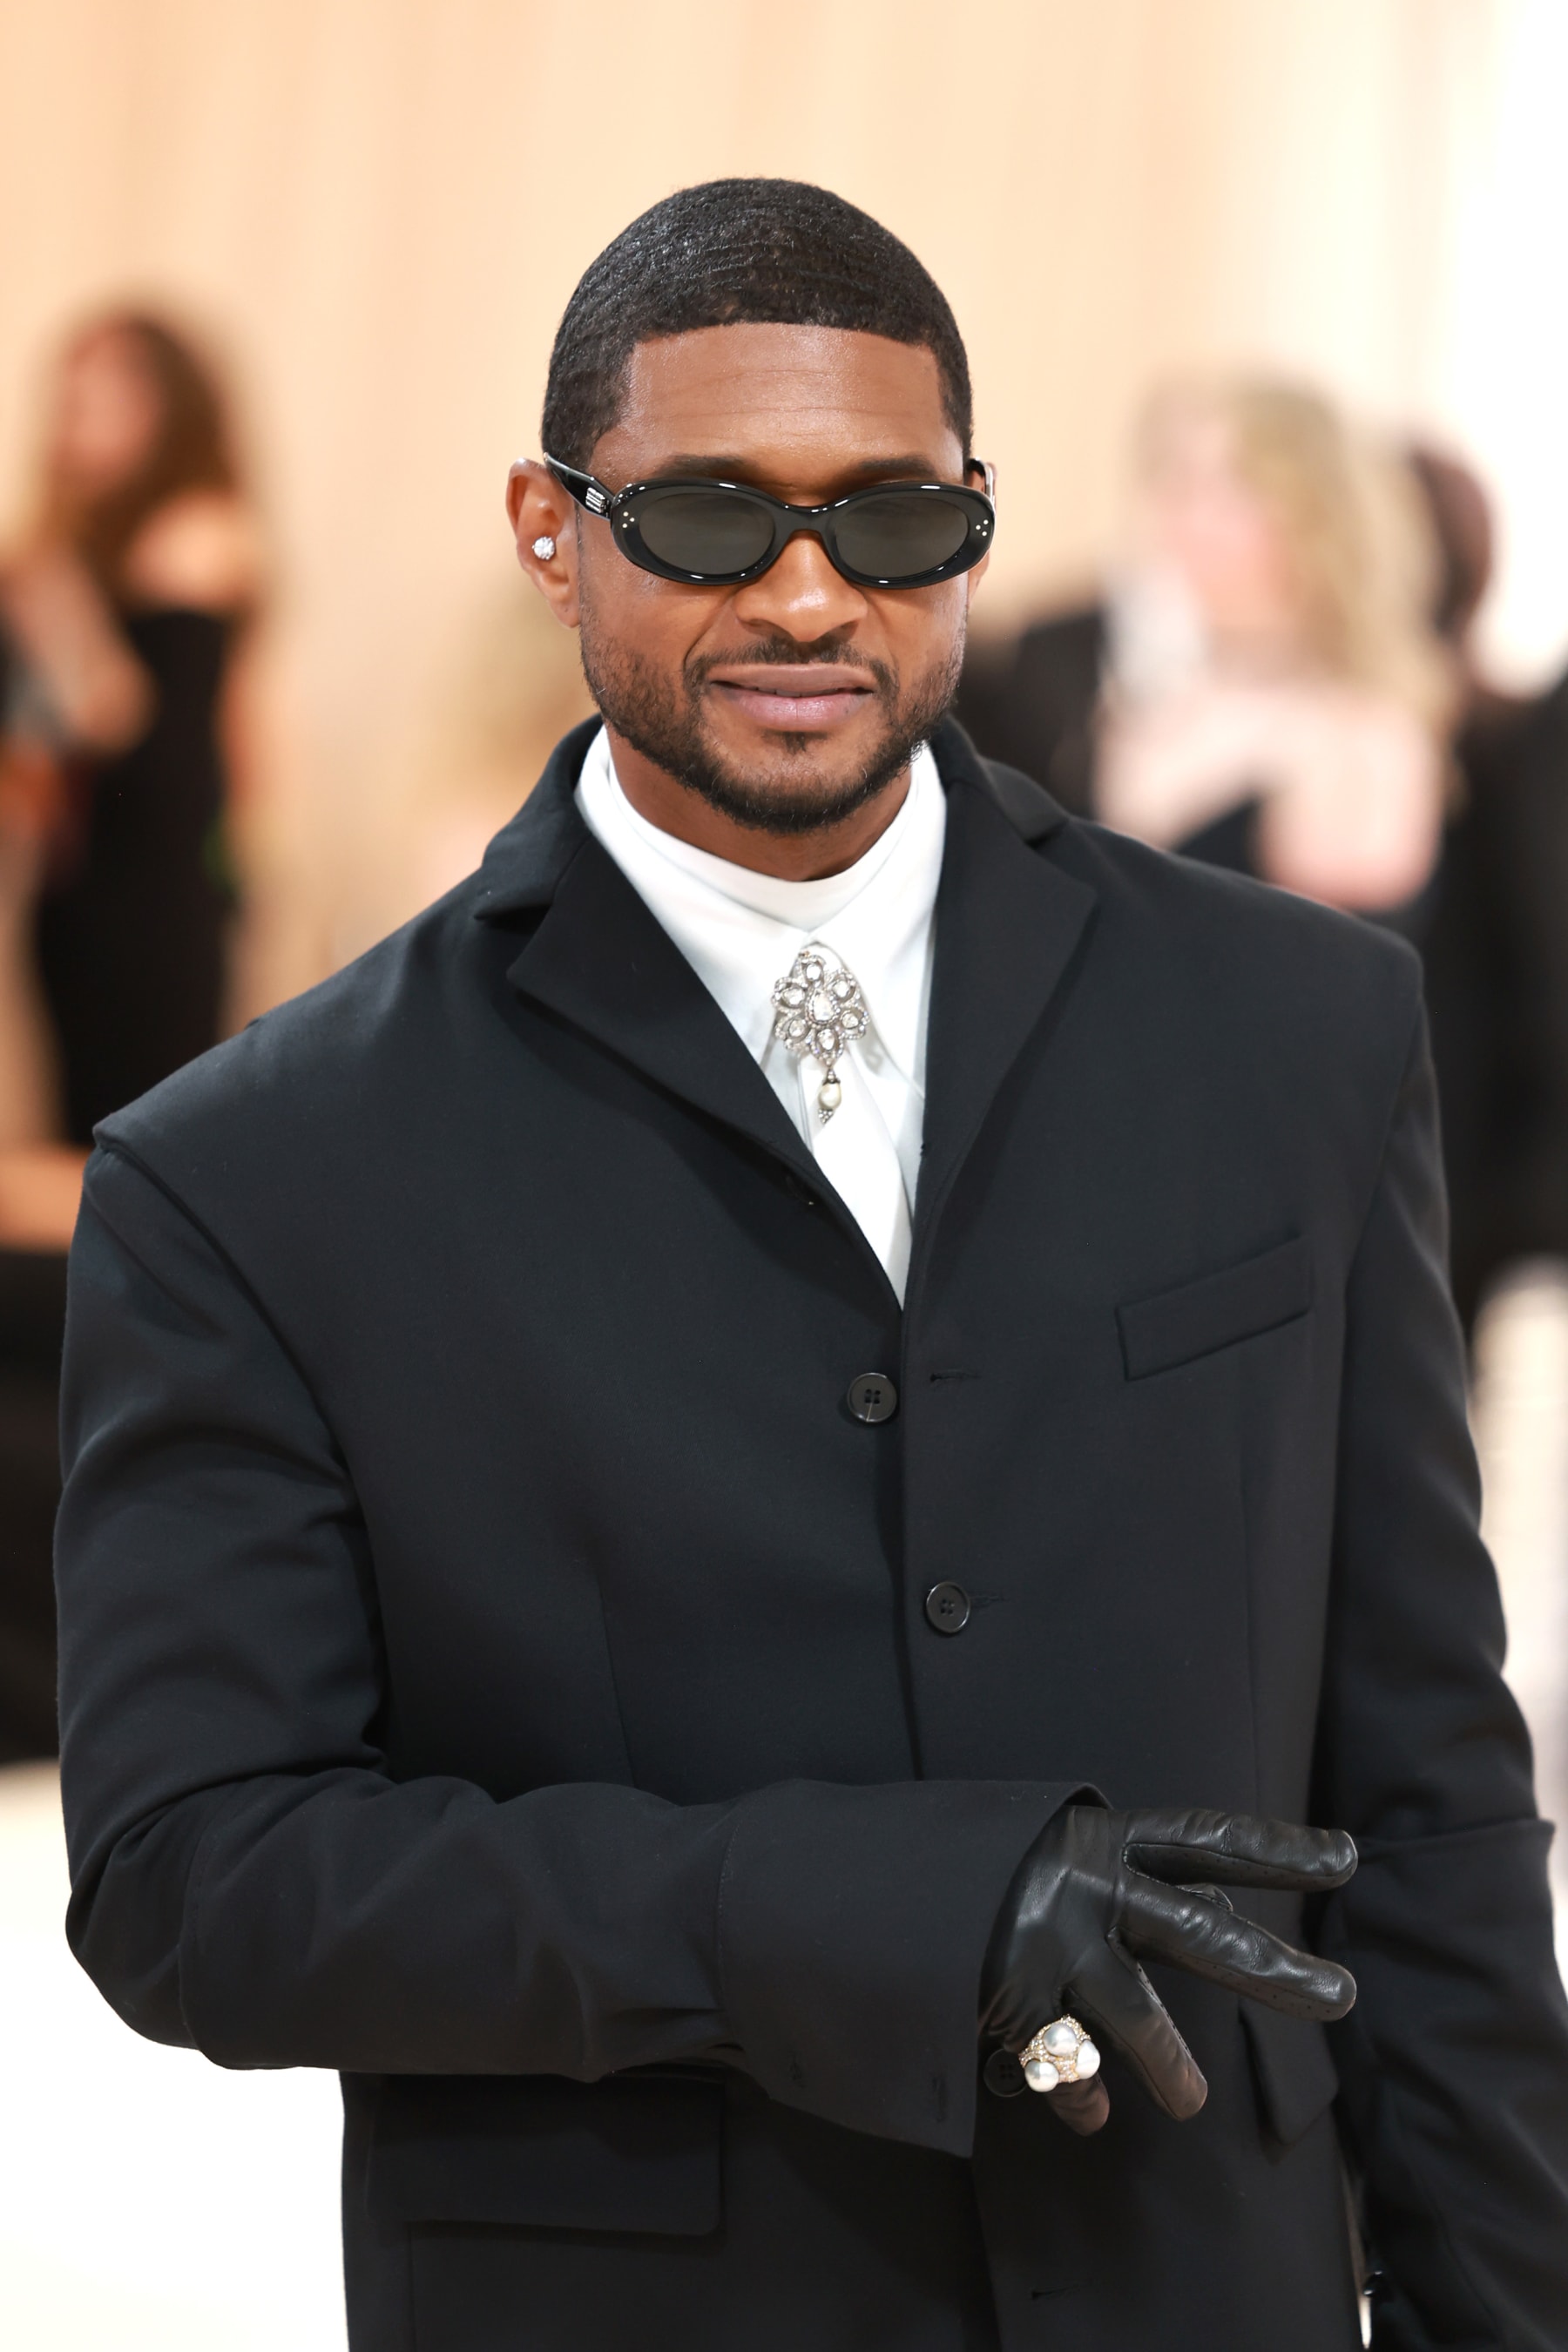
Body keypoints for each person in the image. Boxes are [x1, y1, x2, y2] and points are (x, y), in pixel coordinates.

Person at [54, 182, 1568, 2352]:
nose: (802, 592)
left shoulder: (1296, 1031)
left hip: (1195, 2284)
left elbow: (1426, 1792)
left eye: (888, 521)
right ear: (550, 527)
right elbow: (196, 1876)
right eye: (703, 519)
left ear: (972, 518)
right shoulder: (254, 1173)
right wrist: (861, 1912)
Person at [959, 376, 1453, 934]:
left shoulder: (1362, 730)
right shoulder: (1137, 688)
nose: (1181, 523)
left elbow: (1324, 969)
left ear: (1311, 514)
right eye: (1173, 487)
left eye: (1222, 492)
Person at [0, 308, 261, 1146]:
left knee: (143, 1153)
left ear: (165, 409)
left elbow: (128, 726)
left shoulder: (198, 537)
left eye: (104, 397)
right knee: (81, 1137)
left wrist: (50, 598)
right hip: (75, 896)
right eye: (71, 398)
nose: (77, 419)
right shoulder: (76, 552)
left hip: (155, 904)